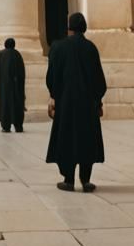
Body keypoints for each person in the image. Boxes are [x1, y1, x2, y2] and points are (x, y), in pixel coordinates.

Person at [46, 12, 107, 192]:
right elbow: (99, 80)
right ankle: (86, 180)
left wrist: (53, 96)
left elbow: (52, 77)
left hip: (66, 104)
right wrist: (98, 102)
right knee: (86, 139)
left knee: (67, 139)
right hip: (88, 105)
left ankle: (69, 180)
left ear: (69, 27)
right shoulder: (91, 48)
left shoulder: (58, 47)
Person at [0, 37, 25, 132]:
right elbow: (22, 72)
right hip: (17, 86)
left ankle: (6, 127)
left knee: (5, 104)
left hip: (4, 86)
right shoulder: (18, 54)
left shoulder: (0, 54)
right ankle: (18, 126)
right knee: (17, 103)